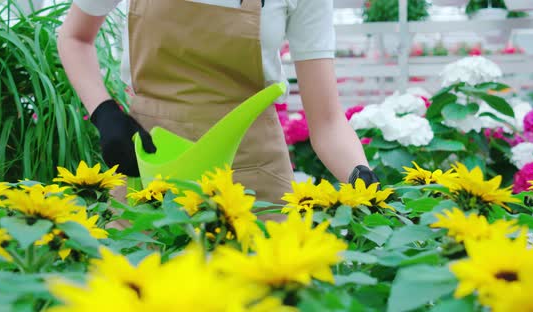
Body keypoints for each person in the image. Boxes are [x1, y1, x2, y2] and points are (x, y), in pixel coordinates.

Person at [57, 0, 379, 207]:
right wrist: (104, 113)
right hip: (152, 179)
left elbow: (327, 123)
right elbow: (74, 37)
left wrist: (362, 177)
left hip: (253, 186)